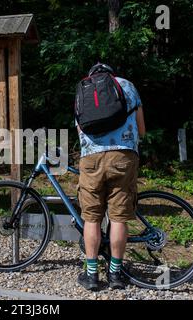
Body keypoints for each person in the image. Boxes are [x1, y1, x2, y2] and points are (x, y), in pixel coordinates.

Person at [75, 63, 146, 291]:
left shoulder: (83, 90)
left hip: (91, 159)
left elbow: (81, 130)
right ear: (112, 74)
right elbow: (141, 129)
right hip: (123, 156)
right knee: (118, 217)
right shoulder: (127, 86)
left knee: (92, 217)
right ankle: (115, 274)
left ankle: (92, 275)